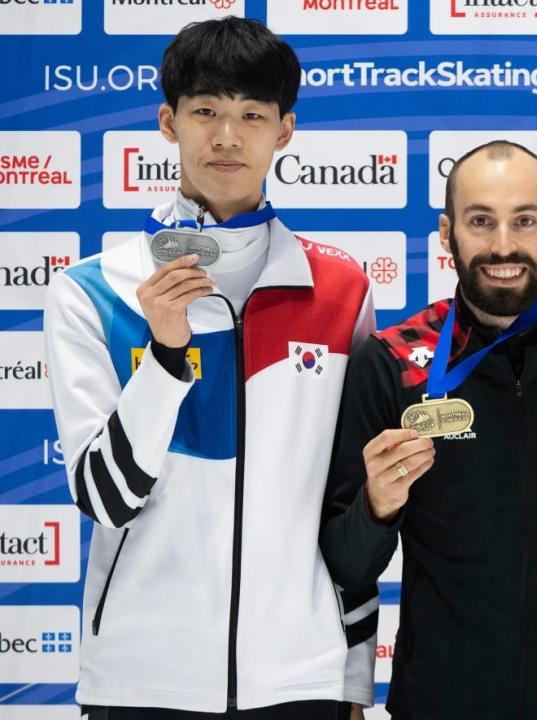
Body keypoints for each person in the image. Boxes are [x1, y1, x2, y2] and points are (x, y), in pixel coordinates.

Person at [44, 17, 375, 720]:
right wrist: (165, 358)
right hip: (141, 681)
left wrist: (351, 676)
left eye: (252, 114)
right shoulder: (93, 291)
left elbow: (346, 503)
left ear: (284, 131)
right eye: (206, 112)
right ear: (169, 122)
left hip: (300, 680)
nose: (228, 136)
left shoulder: (343, 291)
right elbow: (106, 500)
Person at [319, 140, 537, 719]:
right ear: (446, 232)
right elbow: (344, 567)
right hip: (437, 704)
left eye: (525, 220)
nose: (503, 245)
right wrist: (377, 508)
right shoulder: (391, 363)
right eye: (481, 221)